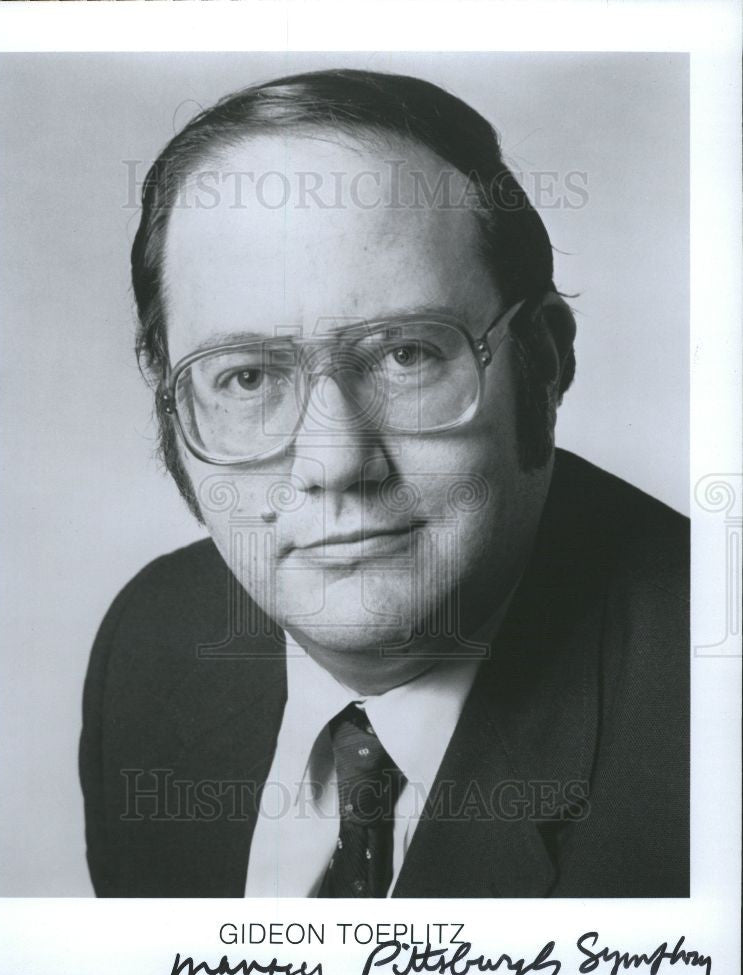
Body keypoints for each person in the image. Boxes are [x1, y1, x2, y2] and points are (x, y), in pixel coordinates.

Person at [79, 68, 689, 898]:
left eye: (405, 355)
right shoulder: (155, 644)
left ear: (542, 363)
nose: (334, 463)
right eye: (248, 378)